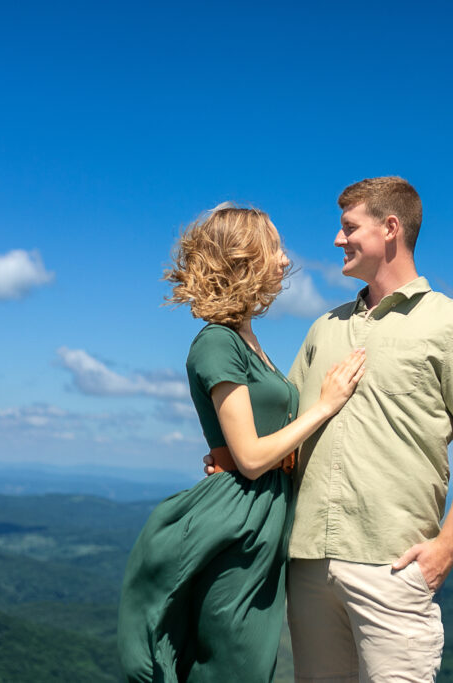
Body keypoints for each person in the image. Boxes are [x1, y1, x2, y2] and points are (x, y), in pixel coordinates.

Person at [206, 176, 453, 681]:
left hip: (392, 564)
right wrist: (233, 457)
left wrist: (446, 549)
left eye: (348, 227)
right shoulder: (324, 326)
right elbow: (292, 430)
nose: (337, 240)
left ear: (390, 228)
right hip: (304, 562)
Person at [117, 205, 366, 683]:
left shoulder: (249, 341)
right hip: (238, 522)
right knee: (237, 666)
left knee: (250, 664)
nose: (284, 259)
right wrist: (325, 406)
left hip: (263, 518)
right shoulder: (217, 343)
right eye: (274, 246)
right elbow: (252, 458)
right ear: (245, 257)